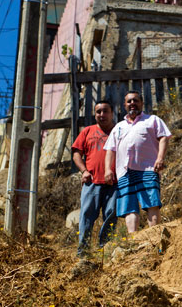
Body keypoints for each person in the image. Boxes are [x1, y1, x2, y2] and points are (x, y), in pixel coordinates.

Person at [103, 91, 172, 233]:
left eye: (135, 100)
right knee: (129, 207)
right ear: (124, 105)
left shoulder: (152, 120)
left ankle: (155, 235)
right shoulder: (119, 127)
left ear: (141, 103)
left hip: (148, 169)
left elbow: (164, 138)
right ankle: (133, 240)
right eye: (129, 101)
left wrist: (160, 158)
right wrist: (108, 170)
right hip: (124, 172)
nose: (132, 104)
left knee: (152, 203)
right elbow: (110, 150)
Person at [71, 100, 117, 256]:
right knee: (86, 216)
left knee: (111, 214)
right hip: (91, 182)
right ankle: (83, 251)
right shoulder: (87, 131)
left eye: (105, 111)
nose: (102, 115)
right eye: (98, 112)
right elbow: (76, 153)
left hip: (114, 183)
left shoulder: (119, 131)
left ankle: (104, 249)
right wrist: (84, 171)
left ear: (112, 113)